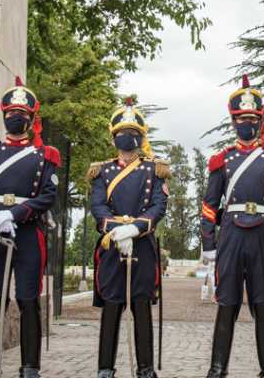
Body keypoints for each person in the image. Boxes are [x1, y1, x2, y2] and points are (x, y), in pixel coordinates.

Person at [199, 75, 264, 378]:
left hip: (262, 235)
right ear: (234, 121)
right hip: (230, 234)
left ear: (259, 120)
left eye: (253, 119)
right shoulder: (222, 160)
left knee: (262, 303)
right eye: (242, 119)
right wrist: (209, 246)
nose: (247, 123)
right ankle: (217, 368)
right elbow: (209, 205)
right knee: (227, 303)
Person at [0, 78, 60, 378]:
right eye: (10, 112)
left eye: (21, 113)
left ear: (32, 119)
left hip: (28, 232)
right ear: (3, 115)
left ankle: (30, 366)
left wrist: (16, 213)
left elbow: (48, 194)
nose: (15, 118)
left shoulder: (45, 156)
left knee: (28, 298)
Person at [87, 98, 169, 378]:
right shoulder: (102, 171)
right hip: (112, 246)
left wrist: (135, 228)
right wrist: (115, 229)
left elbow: (159, 205)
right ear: (113, 137)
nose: (127, 137)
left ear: (141, 137)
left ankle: (145, 369)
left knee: (142, 306)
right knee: (111, 306)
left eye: (133, 132)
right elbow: (97, 206)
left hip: (141, 245)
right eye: (122, 132)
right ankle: (105, 368)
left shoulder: (154, 170)